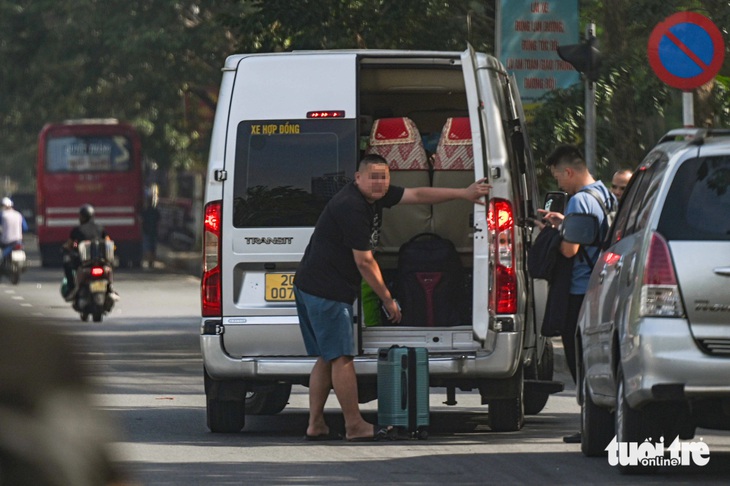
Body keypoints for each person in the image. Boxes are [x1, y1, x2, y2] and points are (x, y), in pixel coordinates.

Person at [293, 153, 490, 442]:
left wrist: (464, 193)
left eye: (384, 176)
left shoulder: (375, 197)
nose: (379, 182)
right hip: (325, 290)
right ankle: (354, 425)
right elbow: (364, 262)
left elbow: (419, 193)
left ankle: (316, 424)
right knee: (341, 358)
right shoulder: (352, 206)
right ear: (357, 178)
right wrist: (388, 299)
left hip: (312, 286)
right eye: (373, 176)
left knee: (327, 356)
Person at [538, 145, 616, 444]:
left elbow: (570, 248)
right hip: (599, 286)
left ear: (569, 171)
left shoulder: (579, 200)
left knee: (578, 359)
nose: (558, 183)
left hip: (579, 289)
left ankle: (591, 425)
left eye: (558, 176)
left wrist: (550, 235)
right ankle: (599, 423)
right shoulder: (604, 194)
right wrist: (562, 222)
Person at [62, 204, 108, 300]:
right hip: (100, 260)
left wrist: (67, 247)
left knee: (67, 263)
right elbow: (108, 242)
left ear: (82, 217)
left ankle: (71, 288)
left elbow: (71, 244)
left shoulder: (77, 230)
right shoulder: (100, 228)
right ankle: (110, 288)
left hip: (84, 261)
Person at [0, 197, 28, 263]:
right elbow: (25, 228)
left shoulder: (2, 215)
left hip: (6, 241)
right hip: (18, 240)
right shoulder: (18, 214)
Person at [140, 199, 160, 269]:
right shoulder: (155, 211)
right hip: (154, 232)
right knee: (153, 248)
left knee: (147, 247)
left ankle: (149, 262)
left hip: (146, 231)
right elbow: (158, 222)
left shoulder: (145, 211)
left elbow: (141, 221)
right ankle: (152, 262)